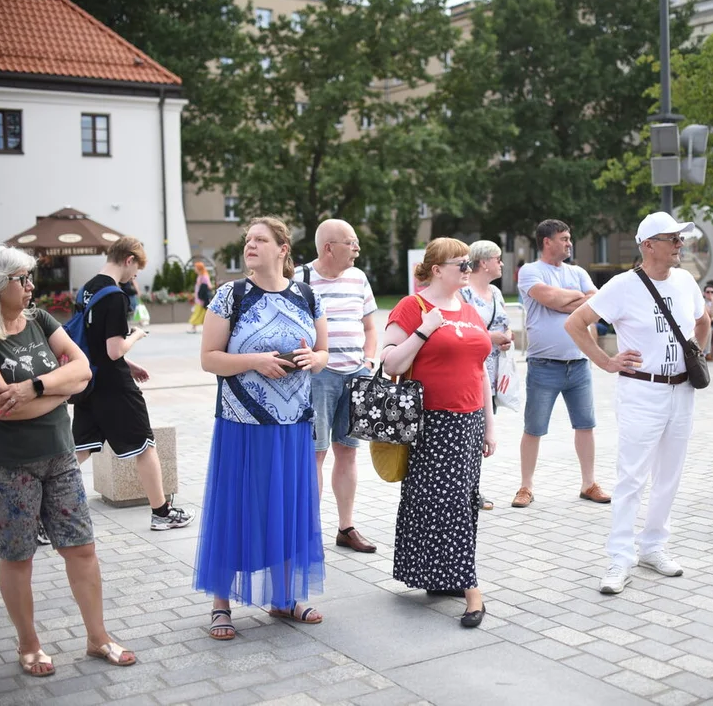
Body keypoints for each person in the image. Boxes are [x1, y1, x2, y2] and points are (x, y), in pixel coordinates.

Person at [0, 244, 136, 676]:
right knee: (18, 556)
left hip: (59, 454)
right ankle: (29, 644)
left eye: (31, 277)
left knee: (82, 548)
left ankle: (97, 637)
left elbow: (84, 368)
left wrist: (35, 389)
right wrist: (60, 391)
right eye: (23, 279)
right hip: (4, 464)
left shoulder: (39, 320)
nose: (32, 287)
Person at [564, 212, 710, 595]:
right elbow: (576, 324)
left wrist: (697, 355)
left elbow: (703, 320)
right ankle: (620, 557)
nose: (680, 245)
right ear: (648, 245)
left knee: (669, 475)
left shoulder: (684, 281)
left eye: (681, 238)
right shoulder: (623, 286)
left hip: (682, 391)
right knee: (631, 477)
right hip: (642, 392)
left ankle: (654, 545)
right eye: (672, 238)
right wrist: (606, 362)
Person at [196, 216, 328, 638]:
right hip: (243, 424)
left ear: (282, 249)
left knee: (287, 507)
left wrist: (315, 360)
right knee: (237, 506)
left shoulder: (307, 295)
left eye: (260, 240)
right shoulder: (230, 295)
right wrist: (255, 360)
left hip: (293, 424)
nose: (250, 245)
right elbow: (210, 359)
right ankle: (221, 605)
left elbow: (324, 351)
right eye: (247, 239)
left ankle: (284, 597)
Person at [382, 237, 496, 628]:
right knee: (445, 505)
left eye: (469, 264)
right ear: (436, 270)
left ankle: (440, 576)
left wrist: (489, 424)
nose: (468, 270)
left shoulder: (469, 310)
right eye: (461, 264)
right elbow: (390, 362)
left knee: (458, 502)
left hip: (469, 420)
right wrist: (424, 331)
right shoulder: (412, 308)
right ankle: (471, 588)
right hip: (432, 422)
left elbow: (480, 369)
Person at [73, 238, 194, 531]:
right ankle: (162, 513)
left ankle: (40, 511)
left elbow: (94, 345)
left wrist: (129, 363)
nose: (134, 277)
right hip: (115, 386)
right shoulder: (115, 296)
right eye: (136, 270)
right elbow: (114, 349)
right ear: (128, 259)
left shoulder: (86, 289)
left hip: (88, 381)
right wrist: (137, 335)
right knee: (145, 446)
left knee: (81, 449)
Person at [294, 219, 379, 553]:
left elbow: (371, 327)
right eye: (352, 242)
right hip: (318, 376)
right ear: (329, 247)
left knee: (348, 452)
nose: (357, 248)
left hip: (356, 376)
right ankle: (309, 532)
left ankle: (346, 527)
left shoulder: (359, 278)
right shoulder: (300, 279)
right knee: (315, 454)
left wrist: (369, 362)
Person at [513, 219, 609, 508]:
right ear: (547, 241)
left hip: (579, 364)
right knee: (534, 427)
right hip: (544, 365)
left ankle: (588, 483)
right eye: (564, 238)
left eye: (569, 238)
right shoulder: (530, 271)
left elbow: (597, 304)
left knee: (585, 425)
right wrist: (574, 301)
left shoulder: (577, 272)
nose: (569, 243)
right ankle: (525, 487)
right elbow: (550, 297)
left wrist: (565, 302)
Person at [460, 240, 513, 510]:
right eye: (497, 258)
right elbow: (462, 327)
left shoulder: (495, 292)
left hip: (492, 375)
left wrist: (507, 337)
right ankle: (466, 490)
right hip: (470, 371)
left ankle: (473, 488)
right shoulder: (465, 293)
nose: (501, 263)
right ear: (483, 262)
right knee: (469, 435)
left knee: (482, 433)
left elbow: (504, 322)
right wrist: (490, 336)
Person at [188, 262, 212, 334]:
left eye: (195, 268)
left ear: (199, 268)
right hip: (198, 298)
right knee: (201, 313)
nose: (194, 269)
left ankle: (194, 327)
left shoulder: (204, 276)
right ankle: (205, 328)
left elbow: (209, 286)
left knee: (198, 313)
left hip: (201, 299)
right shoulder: (200, 276)